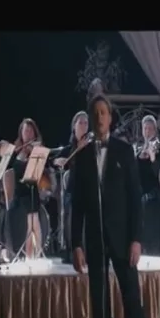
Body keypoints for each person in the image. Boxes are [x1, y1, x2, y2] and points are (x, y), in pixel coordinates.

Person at [71, 94, 157, 318]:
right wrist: (76, 243)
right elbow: (77, 205)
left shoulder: (124, 150)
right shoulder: (82, 156)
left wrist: (136, 239)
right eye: (95, 113)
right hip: (95, 240)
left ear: (110, 117)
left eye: (103, 112)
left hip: (123, 239)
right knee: (100, 305)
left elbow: (135, 198)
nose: (99, 118)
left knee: (132, 301)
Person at [53, 111, 89, 263]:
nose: (83, 126)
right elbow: (54, 160)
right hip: (73, 190)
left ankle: (88, 252)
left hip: (88, 189)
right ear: (74, 127)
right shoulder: (70, 148)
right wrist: (58, 161)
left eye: (86, 123)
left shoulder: (91, 146)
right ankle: (72, 251)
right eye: (80, 123)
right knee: (71, 218)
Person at [7, 118, 45, 258]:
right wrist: (21, 153)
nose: (28, 134)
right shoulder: (16, 151)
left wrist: (33, 153)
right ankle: (28, 254)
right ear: (21, 133)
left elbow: (40, 173)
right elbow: (10, 170)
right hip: (19, 194)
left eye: (30, 131)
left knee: (34, 218)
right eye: (25, 131)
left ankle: (36, 253)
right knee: (30, 219)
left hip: (32, 191)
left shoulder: (38, 150)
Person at [135, 115, 160, 255]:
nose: (147, 131)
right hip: (139, 190)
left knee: (148, 205)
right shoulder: (138, 149)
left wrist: (152, 157)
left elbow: (158, 172)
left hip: (154, 190)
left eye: (150, 129)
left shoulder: (159, 149)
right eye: (145, 128)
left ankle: (152, 247)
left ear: (155, 131)